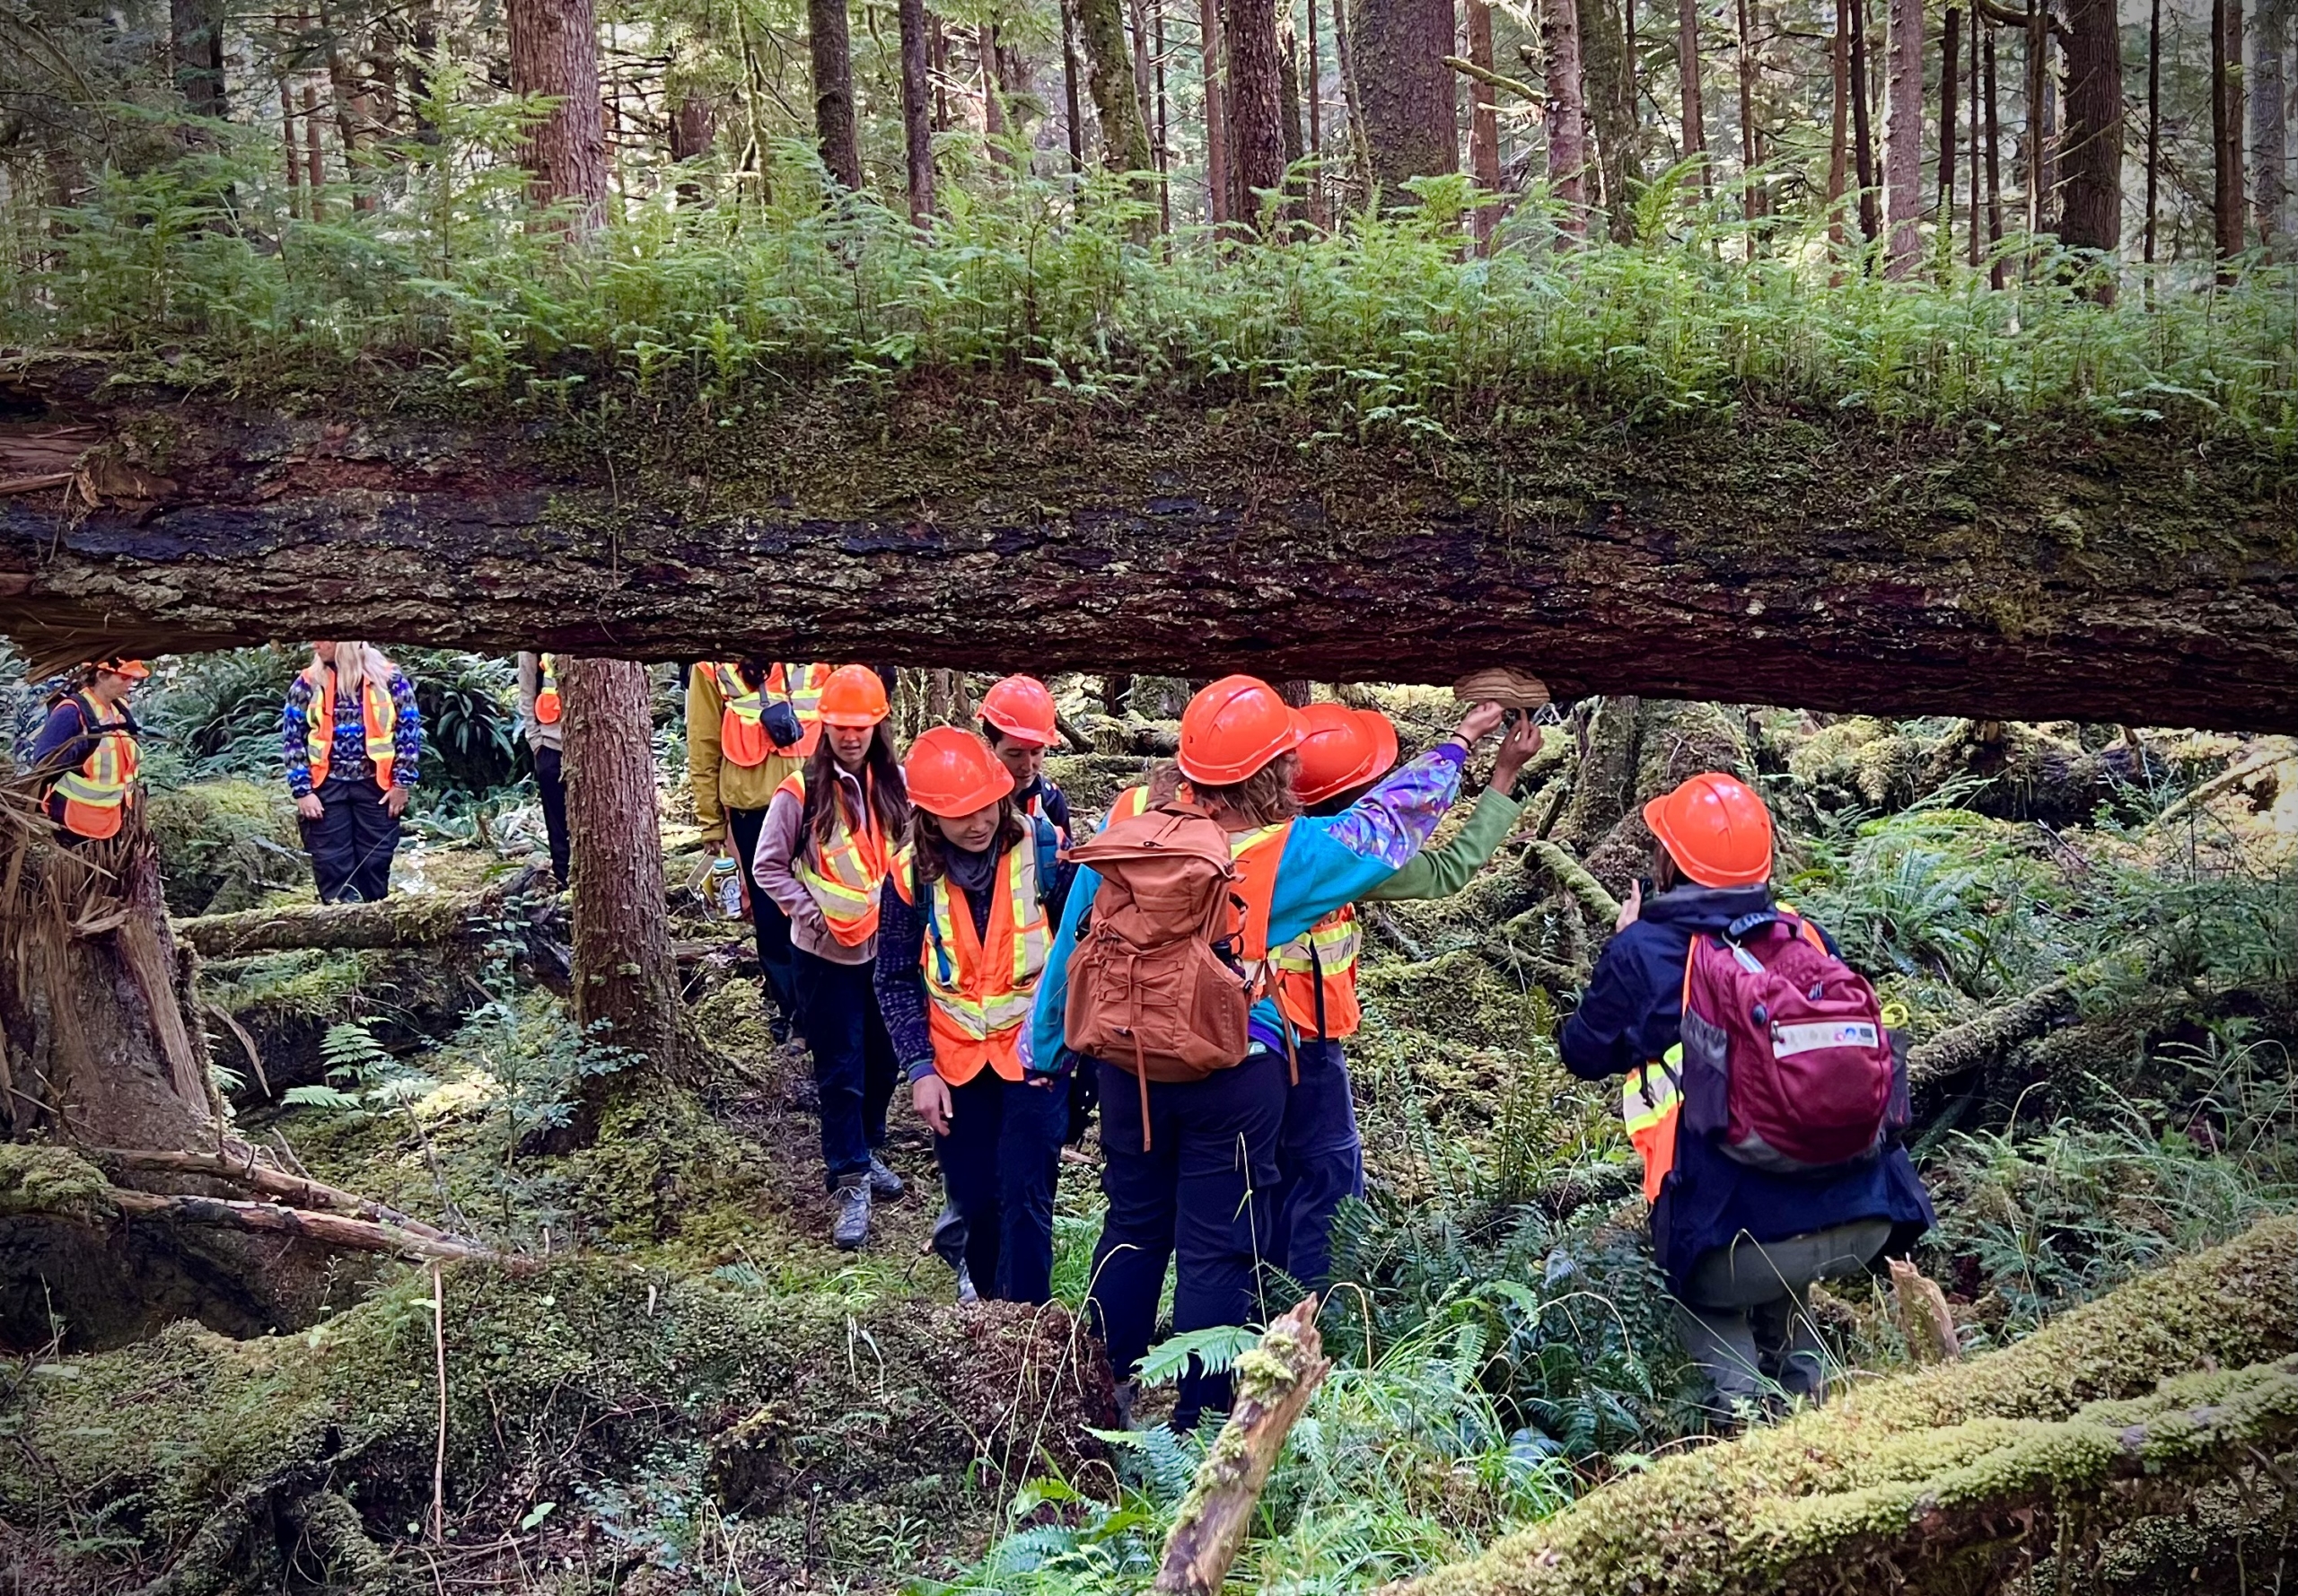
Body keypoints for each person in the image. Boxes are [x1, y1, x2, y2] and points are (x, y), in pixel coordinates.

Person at [1032, 675, 1507, 1430]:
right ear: (1271, 772)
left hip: (1127, 1064)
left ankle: (1096, 1397)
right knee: (1217, 1247)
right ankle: (1196, 1426)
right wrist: (1462, 741)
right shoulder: (1285, 850)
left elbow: (1073, 943)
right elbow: (1392, 822)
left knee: (1130, 1226)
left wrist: (1048, 1047)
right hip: (1235, 1068)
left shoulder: (1126, 814)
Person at [1559, 772, 1934, 1420]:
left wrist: (1623, 947)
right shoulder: (1806, 935)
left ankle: (1745, 1424)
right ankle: (1812, 1401)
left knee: (1709, 1289)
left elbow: (1582, 1052)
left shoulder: (1644, 950)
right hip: (1864, 1217)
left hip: (1727, 1247)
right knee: (1780, 1246)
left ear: (1669, 861)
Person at [1267, 701, 1549, 1293]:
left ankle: (1258, 1309)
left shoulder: (1264, 842)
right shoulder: (1346, 860)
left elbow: (1444, 869)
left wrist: (1500, 775)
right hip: (1304, 1048)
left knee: (1267, 1180)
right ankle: (1317, 1321)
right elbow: (1449, 869)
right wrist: (1478, 754)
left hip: (1247, 1050)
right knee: (1330, 1186)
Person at [876, 727, 1074, 1302]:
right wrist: (919, 1069)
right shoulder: (909, 874)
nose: (979, 822)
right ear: (930, 817)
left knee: (1027, 1196)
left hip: (1035, 1059)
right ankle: (988, 1308)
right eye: (959, 814)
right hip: (955, 1064)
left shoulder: (1045, 851)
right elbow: (891, 976)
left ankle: (1030, 1330)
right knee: (975, 1199)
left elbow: (1083, 953)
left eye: (986, 806)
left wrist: (1069, 1050)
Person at [751, 664, 912, 1250]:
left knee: (885, 1056)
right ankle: (848, 1177)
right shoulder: (801, 791)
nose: (851, 736)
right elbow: (767, 864)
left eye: (861, 726)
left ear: (877, 726)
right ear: (826, 727)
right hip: (823, 957)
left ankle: (868, 1149)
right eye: (841, 726)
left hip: (887, 953)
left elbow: (915, 856)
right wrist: (810, 912)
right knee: (840, 1068)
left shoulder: (897, 783)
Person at [690, 661, 831, 1041]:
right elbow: (702, 745)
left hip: (817, 804)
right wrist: (713, 824)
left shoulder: (825, 648)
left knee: (824, 907)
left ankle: (824, 1010)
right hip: (753, 810)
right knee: (770, 919)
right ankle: (792, 1014)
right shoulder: (712, 666)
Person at [284, 643, 421, 904]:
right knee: (331, 861)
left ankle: (373, 922)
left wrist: (401, 784)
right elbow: (293, 739)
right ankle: (341, 924)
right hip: (325, 788)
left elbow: (409, 733)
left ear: (344, 642)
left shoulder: (390, 679)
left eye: (324, 638)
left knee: (376, 860)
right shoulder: (307, 683)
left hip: (377, 787)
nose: (315, 644)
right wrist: (302, 791)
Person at [30, 658, 148, 843]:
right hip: (75, 820)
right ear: (101, 676)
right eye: (124, 677)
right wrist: (80, 747)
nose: (130, 684)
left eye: (133, 679)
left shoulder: (121, 710)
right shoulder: (70, 711)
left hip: (115, 816)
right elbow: (44, 762)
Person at [978, 675, 1073, 844]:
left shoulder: (1050, 799)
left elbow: (1067, 863)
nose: (1028, 766)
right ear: (989, 745)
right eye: (1015, 754)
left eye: (1036, 752)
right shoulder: (970, 798)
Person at [516, 652, 569, 884]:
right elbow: (527, 688)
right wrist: (535, 741)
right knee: (557, 826)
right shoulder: (534, 632)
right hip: (550, 746)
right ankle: (564, 883)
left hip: (594, 747)